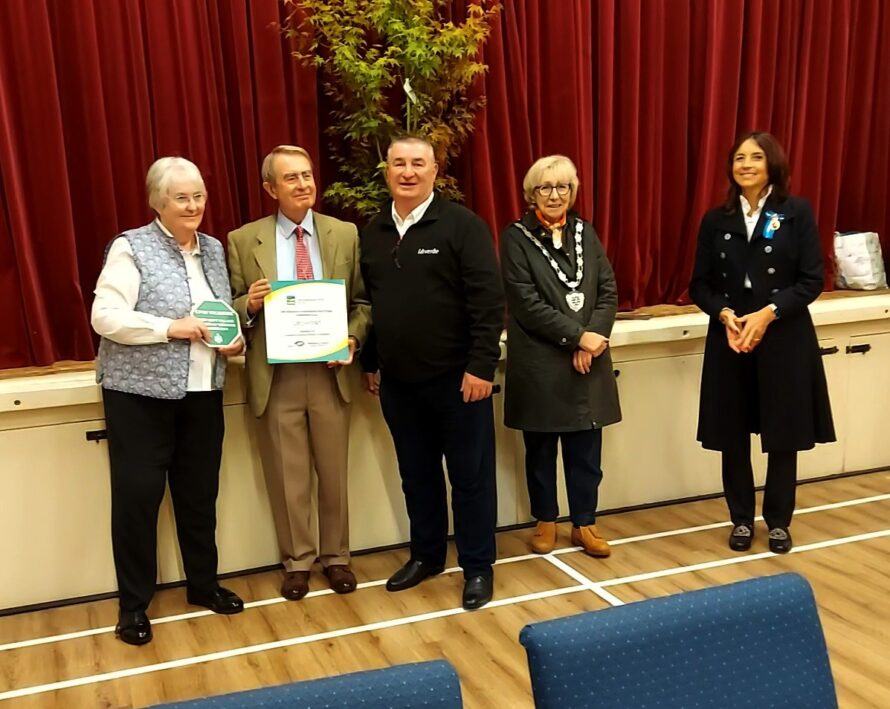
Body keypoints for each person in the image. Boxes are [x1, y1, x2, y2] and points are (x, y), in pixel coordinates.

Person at [92, 157, 245, 646]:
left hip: (203, 393)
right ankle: (133, 607)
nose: (194, 205)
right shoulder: (130, 246)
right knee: (137, 501)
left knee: (199, 495)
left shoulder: (215, 250)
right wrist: (169, 328)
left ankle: (203, 585)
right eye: (182, 197)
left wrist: (234, 342)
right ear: (157, 201)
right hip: (139, 396)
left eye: (199, 195)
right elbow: (106, 316)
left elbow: (220, 316)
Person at [359, 135, 504, 610]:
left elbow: (487, 302)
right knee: (416, 477)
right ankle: (427, 556)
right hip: (399, 385)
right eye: (398, 163)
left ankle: (478, 566)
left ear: (435, 171)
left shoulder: (463, 226)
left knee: (471, 478)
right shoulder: (374, 230)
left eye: (417, 164)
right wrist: (372, 362)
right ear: (386, 171)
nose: (407, 172)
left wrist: (482, 365)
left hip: (460, 381)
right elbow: (375, 306)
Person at [228, 145, 371, 601]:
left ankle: (337, 558)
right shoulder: (242, 240)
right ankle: (297, 561)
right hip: (277, 373)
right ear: (271, 188)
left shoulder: (344, 233)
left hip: (331, 372)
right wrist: (247, 304)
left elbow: (364, 303)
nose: (304, 184)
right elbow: (225, 311)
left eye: (308, 174)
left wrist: (351, 339)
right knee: (287, 475)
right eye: (291, 178)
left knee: (333, 472)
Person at [689, 131, 835, 554]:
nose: (746, 164)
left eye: (755, 157)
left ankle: (777, 522)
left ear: (773, 164)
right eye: (738, 158)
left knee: (782, 431)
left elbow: (812, 280)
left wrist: (768, 314)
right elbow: (699, 284)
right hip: (731, 333)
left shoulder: (795, 213)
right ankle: (739, 519)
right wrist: (725, 314)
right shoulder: (716, 219)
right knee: (732, 431)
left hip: (783, 331)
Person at [500, 155, 621, 558]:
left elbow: (607, 290)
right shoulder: (515, 236)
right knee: (541, 452)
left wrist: (595, 337)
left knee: (587, 453)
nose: (555, 195)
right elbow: (526, 302)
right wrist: (577, 338)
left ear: (573, 192)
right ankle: (546, 520)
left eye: (563, 187)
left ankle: (584, 523)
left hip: (590, 358)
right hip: (541, 361)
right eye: (545, 188)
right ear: (531, 193)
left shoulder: (587, 231)